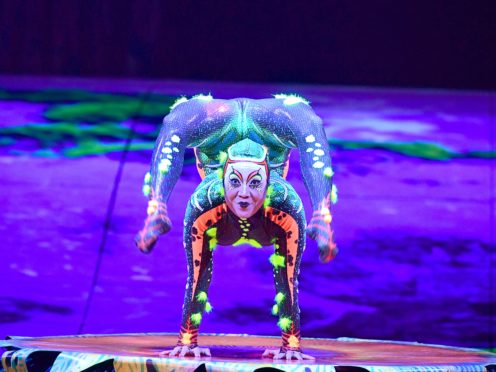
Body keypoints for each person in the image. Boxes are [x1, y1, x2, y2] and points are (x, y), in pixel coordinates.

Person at [136, 95, 337, 360]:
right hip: (255, 123)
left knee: (176, 121)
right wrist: (291, 345)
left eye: (254, 185)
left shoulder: (278, 202)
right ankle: (322, 212)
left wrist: (188, 340)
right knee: (307, 122)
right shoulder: (209, 202)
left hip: (227, 124)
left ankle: (157, 207)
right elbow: (199, 272)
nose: (243, 196)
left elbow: (200, 274)